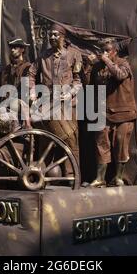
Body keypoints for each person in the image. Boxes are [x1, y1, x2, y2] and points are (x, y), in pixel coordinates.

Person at [28, 23, 82, 176]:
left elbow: (78, 81)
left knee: (71, 141)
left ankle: (72, 176)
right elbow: (31, 74)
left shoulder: (73, 54)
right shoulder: (43, 56)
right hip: (47, 104)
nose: (52, 37)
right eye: (50, 35)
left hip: (67, 105)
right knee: (45, 141)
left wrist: (70, 93)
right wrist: (32, 91)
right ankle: (42, 175)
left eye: (55, 35)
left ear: (63, 37)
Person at [89, 39, 137, 187]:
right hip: (103, 112)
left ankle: (118, 177)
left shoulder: (124, 63)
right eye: (102, 50)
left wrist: (105, 60)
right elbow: (91, 88)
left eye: (107, 50)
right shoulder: (97, 67)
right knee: (101, 145)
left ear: (114, 51)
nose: (104, 53)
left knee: (121, 145)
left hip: (124, 112)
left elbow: (120, 75)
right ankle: (100, 178)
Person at [0, 38, 31, 110]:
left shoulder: (28, 67)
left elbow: (29, 89)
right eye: (11, 48)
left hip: (19, 111)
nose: (12, 50)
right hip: (3, 109)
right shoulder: (5, 70)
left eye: (15, 48)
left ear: (22, 49)